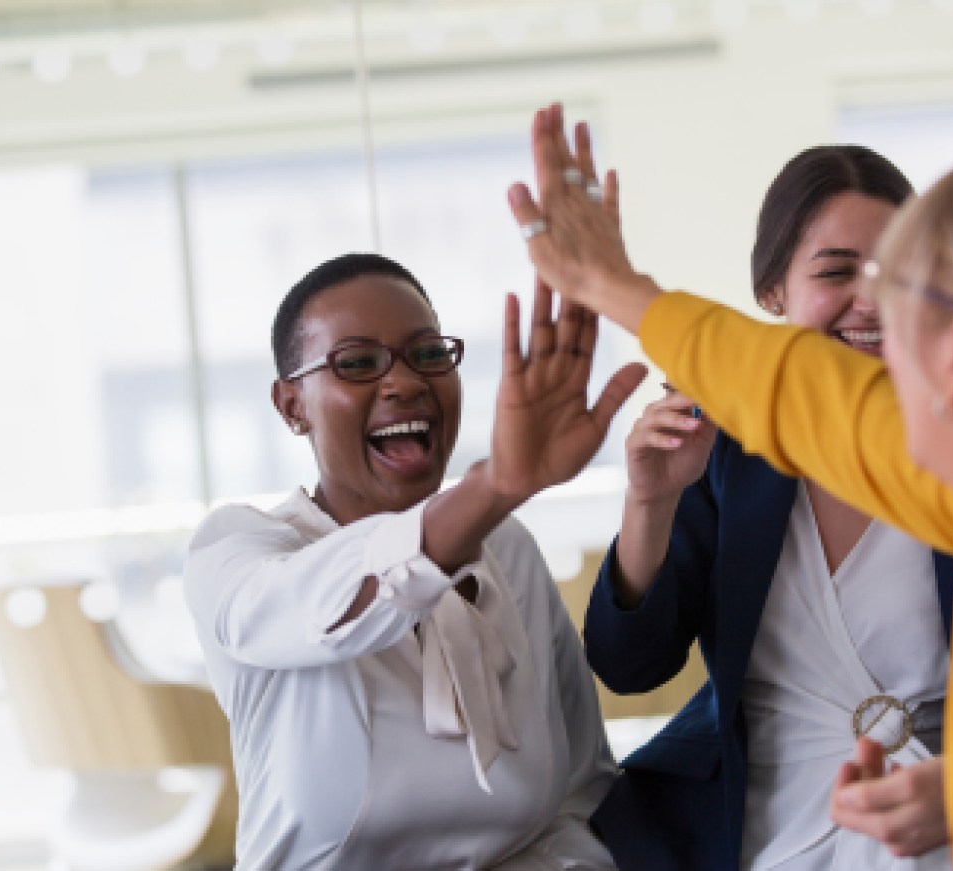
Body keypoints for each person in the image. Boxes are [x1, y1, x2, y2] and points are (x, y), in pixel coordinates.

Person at [507, 103, 953, 871]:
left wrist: (616, 286)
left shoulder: (943, 474)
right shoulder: (747, 443)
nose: (875, 307)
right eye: (841, 271)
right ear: (772, 290)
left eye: (907, 289)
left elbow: (807, 394)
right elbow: (798, 392)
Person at [183, 252, 647, 869]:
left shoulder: (507, 548)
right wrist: (498, 484)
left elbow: (577, 795)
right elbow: (310, 608)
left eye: (427, 354)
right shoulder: (238, 550)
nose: (404, 383)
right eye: (356, 363)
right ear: (292, 405)